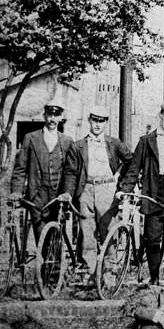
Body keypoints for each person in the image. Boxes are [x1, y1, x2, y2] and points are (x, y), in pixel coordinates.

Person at [119, 101, 164, 283]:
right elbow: (134, 168)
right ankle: (153, 278)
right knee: (152, 239)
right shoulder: (146, 141)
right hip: (153, 191)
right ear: (160, 115)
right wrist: (124, 190)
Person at [62, 107, 131, 273]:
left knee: (108, 231)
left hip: (107, 190)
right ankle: (89, 273)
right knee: (87, 233)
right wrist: (68, 193)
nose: (98, 125)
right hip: (85, 190)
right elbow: (71, 172)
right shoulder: (78, 146)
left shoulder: (114, 144)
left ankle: (109, 274)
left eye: (101, 121)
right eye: (95, 120)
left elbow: (131, 162)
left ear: (106, 122)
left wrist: (120, 180)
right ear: (89, 120)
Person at [10, 99, 73, 239]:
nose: (52, 119)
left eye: (56, 115)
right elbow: (20, 168)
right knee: (40, 235)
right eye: (49, 115)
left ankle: (54, 261)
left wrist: (67, 192)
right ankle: (43, 260)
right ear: (44, 115)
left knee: (56, 237)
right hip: (37, 196)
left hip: (58, 197)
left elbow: (70, 171)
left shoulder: (67, 141)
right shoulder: (31, 138)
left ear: (61, 117)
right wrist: (16, 191)